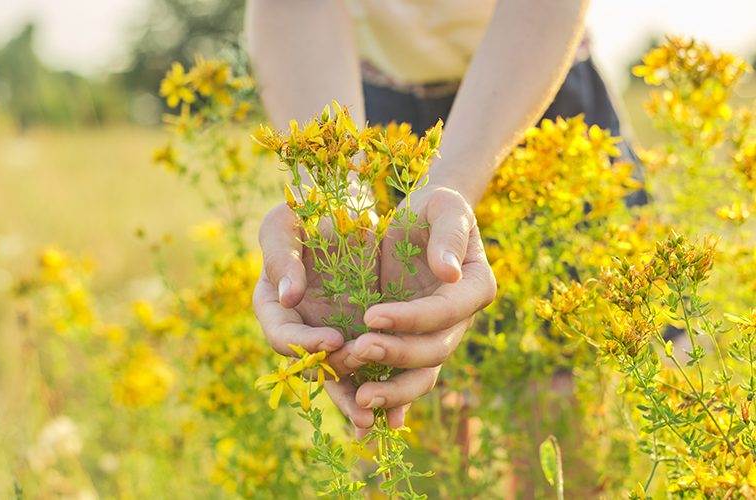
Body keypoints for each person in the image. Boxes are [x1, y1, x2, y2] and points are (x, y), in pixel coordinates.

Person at [246, 0, 634, 438]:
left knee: (556, 408)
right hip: (365, 100)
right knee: (405, 414)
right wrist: (331, 196)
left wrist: (450, 183)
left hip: (532, 83)